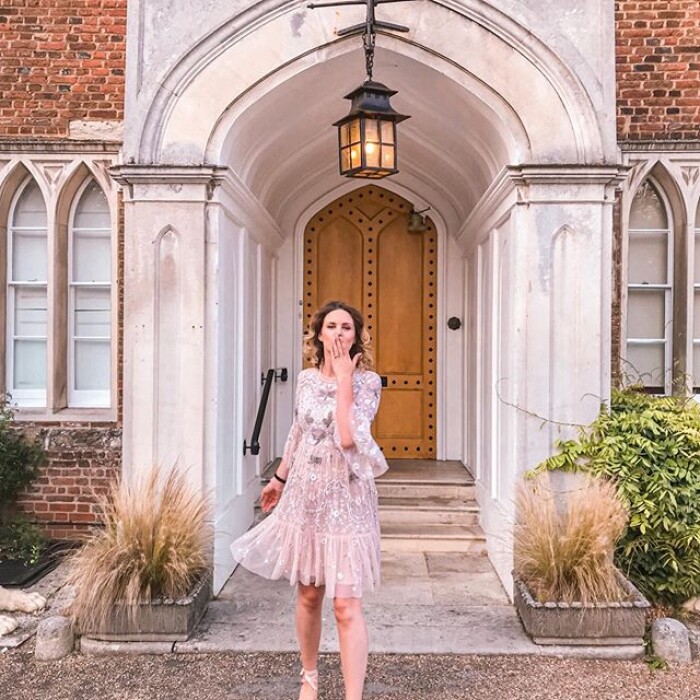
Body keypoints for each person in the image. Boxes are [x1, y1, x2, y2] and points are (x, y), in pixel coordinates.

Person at [231, 300, 388, 700]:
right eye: (331, 326)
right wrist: (279, 479)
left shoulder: (368, 382)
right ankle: (310, 676)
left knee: (345, 604)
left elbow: (348, 437)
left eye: (347, 328)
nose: (338, 333)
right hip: (307, 493)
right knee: (309, 593)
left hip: (347, 496)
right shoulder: (303, 379)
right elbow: (297, 432)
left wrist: (344, 379)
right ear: (319, 333)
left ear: (357, 336)